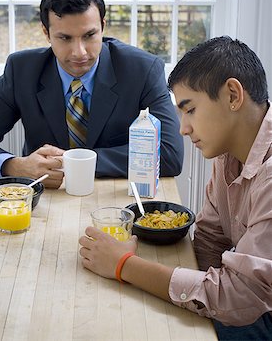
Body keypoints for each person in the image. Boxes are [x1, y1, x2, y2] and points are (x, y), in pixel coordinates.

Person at [79, 36, 272, 341]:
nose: (183, 128)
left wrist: (125, 265)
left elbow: (242, 296)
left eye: (190, 109)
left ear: (233, 95)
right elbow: (209, 239)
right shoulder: (228, 154)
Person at [0, 0, 183, 188]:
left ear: (103, 26)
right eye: (65, 38)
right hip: (44, 200)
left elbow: (170, 154)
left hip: (115, 197)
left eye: (89, 36)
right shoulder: (22, 70)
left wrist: (75, 163)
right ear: (46, 33)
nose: (79, 52)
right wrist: (14, 166)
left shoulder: (142, 70)